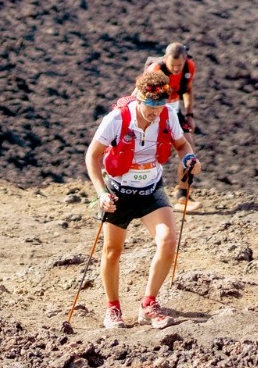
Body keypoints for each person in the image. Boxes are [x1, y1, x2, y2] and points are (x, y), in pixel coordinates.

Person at [86, 66, 202, 329]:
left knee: (168, 240)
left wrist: (189, 158)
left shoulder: (167, 114)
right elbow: (92, 156)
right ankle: (113, 309)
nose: (155, 113)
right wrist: (101, 193)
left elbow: (181, 144)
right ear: (138, 99)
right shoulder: (116, 119)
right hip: (118, 192)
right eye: (150, 107)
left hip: (150, 189)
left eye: (159, 107)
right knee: (112, 251)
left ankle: (148, 304)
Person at [149, 43, 200, 212]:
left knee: (189, 149)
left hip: (174, 112)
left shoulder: (189, 68)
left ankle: (183, 195)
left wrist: (190, 114)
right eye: (172, 66)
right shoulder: (156, 71)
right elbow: (141, 94)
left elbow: (188, 89)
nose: (176, 69)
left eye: (179, 65)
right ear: (165, 60)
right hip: (155, 113)